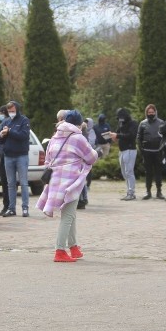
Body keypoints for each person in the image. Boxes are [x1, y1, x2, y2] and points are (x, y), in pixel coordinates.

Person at [36, 110, 101, 262]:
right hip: (71, 181)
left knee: (69, 214)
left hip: (55, 181)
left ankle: (73, 247)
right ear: (78, 124)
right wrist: (96, 153)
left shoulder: (54, 137)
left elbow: (47, 159)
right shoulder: (78, 137)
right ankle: (59, 250)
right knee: (68, 216)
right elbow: (91, 157)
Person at [0, 101, 31, 217]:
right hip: (8, 156)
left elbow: (24, 136)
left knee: (23, 183)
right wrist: (1, 135)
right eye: (9, 111)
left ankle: (25, 208)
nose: (11, 113)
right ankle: (11, 208)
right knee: (10, 183)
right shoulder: (6, 121)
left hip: (21, 155)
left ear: (17, 110)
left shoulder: (24, 120)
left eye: (13, 111)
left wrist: (10, 131)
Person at [136, 103, 164, 200]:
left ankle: (159, 191)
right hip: (147, 151)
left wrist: (162, 149)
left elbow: (165, 137)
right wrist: (141, 150)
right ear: (146, 113)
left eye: (152, 112)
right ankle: (148, 191)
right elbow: (139, 137)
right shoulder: (142, 123)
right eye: (149, 112)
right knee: (148, 172)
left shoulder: (161, 123)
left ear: (155, 112)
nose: (151, 113)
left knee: (158, 172)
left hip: (158, 151)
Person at [111, 107, 139, 201]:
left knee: (129, 171)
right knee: (124, 173)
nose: (121, 119)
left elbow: (131, 135)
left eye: (122, 117)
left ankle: (131, 192)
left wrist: (117, 135)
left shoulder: (133, 123)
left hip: (130, 150)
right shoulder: (120, 123)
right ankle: (128, 191)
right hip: (122, 150)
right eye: (119, 118)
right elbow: (117, 133)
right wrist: (113, 136)